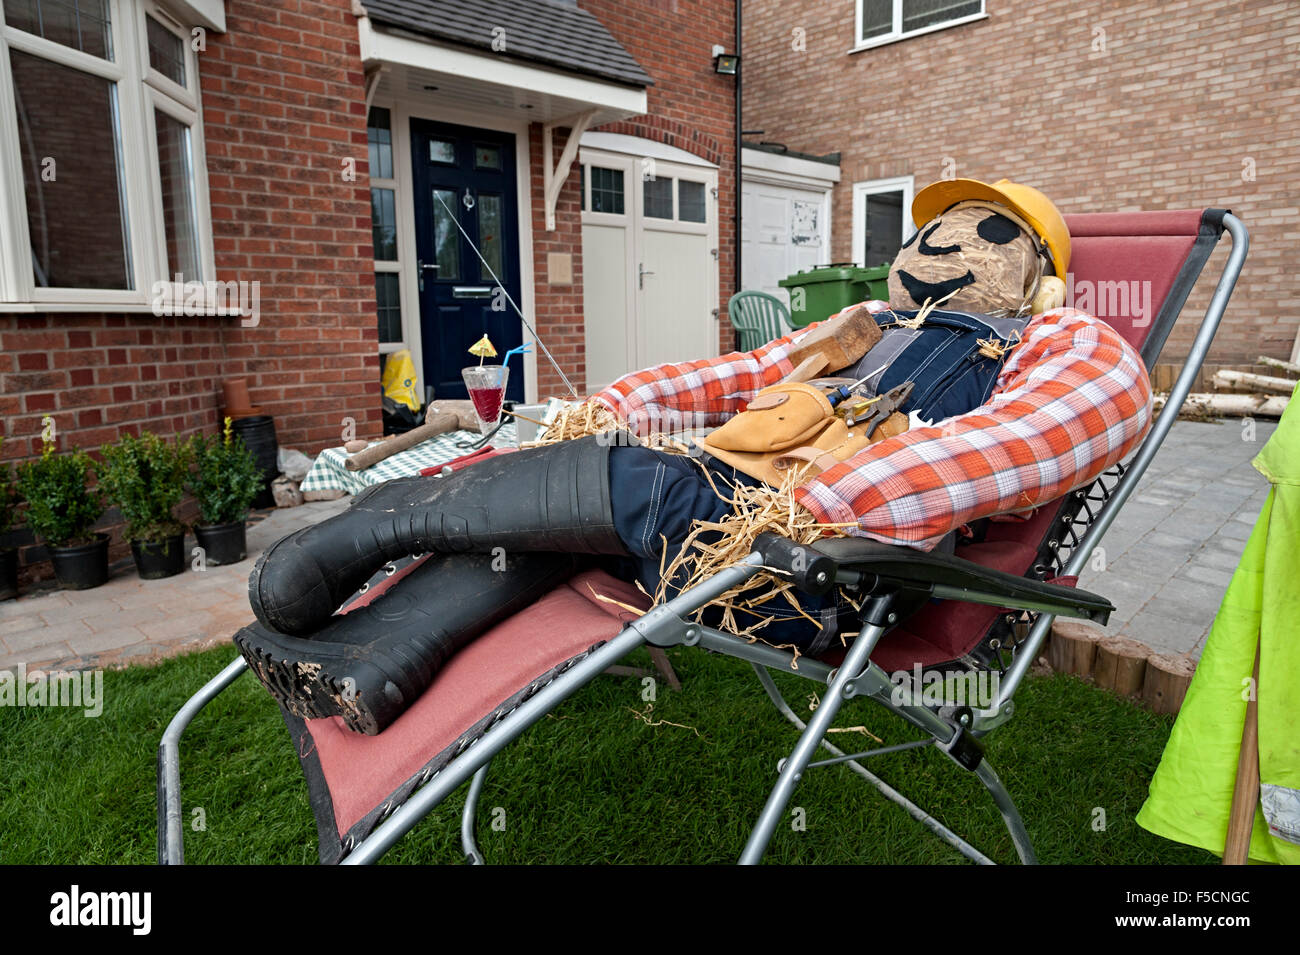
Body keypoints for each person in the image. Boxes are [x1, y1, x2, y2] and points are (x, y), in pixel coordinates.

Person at [235, 178, 1153, 735]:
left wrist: (817, 511)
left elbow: (1063, 420)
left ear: (1038, 270)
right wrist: (612, 406)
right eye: (929, 231)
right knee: (594, 498)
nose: (942, 243)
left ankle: (376, 522)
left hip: (815, 571)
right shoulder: (861, 329)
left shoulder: (1059, 337)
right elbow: (733, 374)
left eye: (986, 231)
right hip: (724, 512)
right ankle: (376, 661)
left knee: (642, 487)